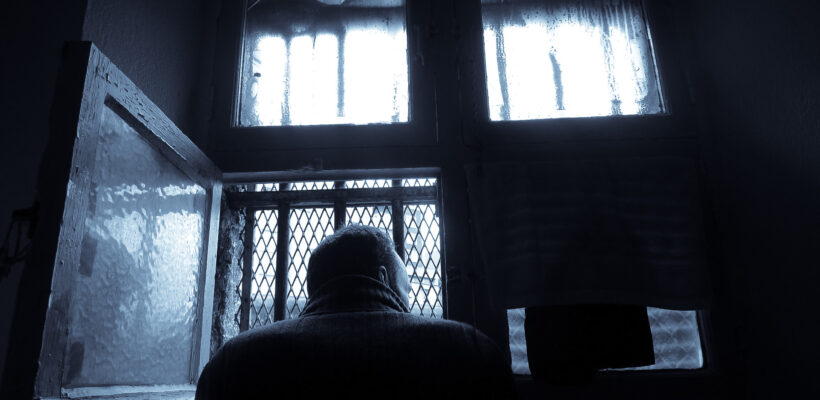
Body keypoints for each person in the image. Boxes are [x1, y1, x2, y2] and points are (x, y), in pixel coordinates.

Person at [195, 224, 515, 399]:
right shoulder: (468, 350)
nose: (408, 307)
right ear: (383, 278)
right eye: (406, 291)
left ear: (316, 285)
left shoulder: (232, 362)